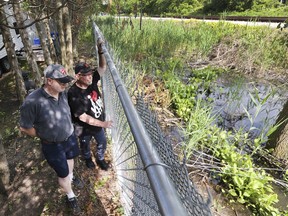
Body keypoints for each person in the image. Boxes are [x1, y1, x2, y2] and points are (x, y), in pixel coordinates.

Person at [19, 64, 82, 214]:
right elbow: (25, 127)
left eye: (65, 81)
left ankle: (71, 177)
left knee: (70, 159)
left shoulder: (63, 93)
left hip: (69, 137)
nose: (64, 84)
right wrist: (43, 135)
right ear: (49, 81)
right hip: (53, 146)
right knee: (63, 173)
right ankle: (70, 195)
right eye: (61, 82)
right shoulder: (32, 101)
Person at [68, 40, 112, 171]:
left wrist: (100, 51)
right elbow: (83, 117)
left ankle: (100, 158)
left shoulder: (92, 82)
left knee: (102, 142)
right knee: (85, 145)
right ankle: (87, 158)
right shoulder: (73, 93)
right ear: (78, 76)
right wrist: (103, 124)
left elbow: (102, 68)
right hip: (84, 129)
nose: (90, 77)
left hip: (98, 124)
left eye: (90, 73)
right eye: (86, 75)